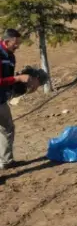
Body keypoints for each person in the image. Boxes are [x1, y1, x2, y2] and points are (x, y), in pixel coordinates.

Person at [0, 29, 39, 170]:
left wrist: (25, 81)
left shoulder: (10, 56)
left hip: (1, 100)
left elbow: (7, 79)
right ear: (6, 42)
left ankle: (6, 162)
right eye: (15, 44)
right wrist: (18, 78)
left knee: (7, 128)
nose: (18, 46)